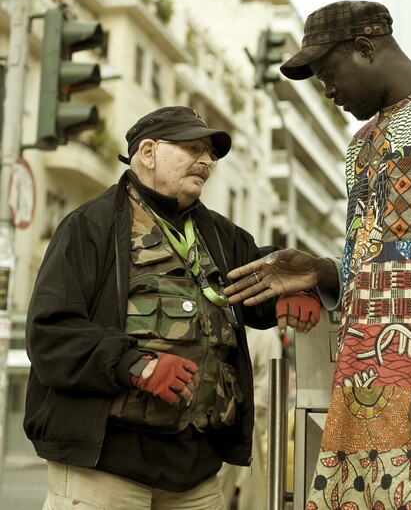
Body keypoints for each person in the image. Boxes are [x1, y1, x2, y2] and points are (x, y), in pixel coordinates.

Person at [25, 105, 303, 510]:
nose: (206, 161)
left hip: (195, 473)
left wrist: (293, 291)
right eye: (192, 148)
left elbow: (263, 280)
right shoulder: (91, 226)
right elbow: (51, 333)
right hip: (104, 470)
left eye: (209, 152)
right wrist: (136, 364)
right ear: (149, 152)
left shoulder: (219, 235)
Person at [224, 1, 411, 508]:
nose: (326, 91)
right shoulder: (361, 144)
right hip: (360, 387)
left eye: (328, 73)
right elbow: (396, 258)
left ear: (365, 48)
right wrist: (324, 272)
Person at [218, 326, 283, 510]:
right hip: (225, 417)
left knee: (250, 479)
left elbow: (269, 383)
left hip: (250, 418)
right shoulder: (230, 329)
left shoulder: (266, 336)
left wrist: (247, 414)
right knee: (221, 475)